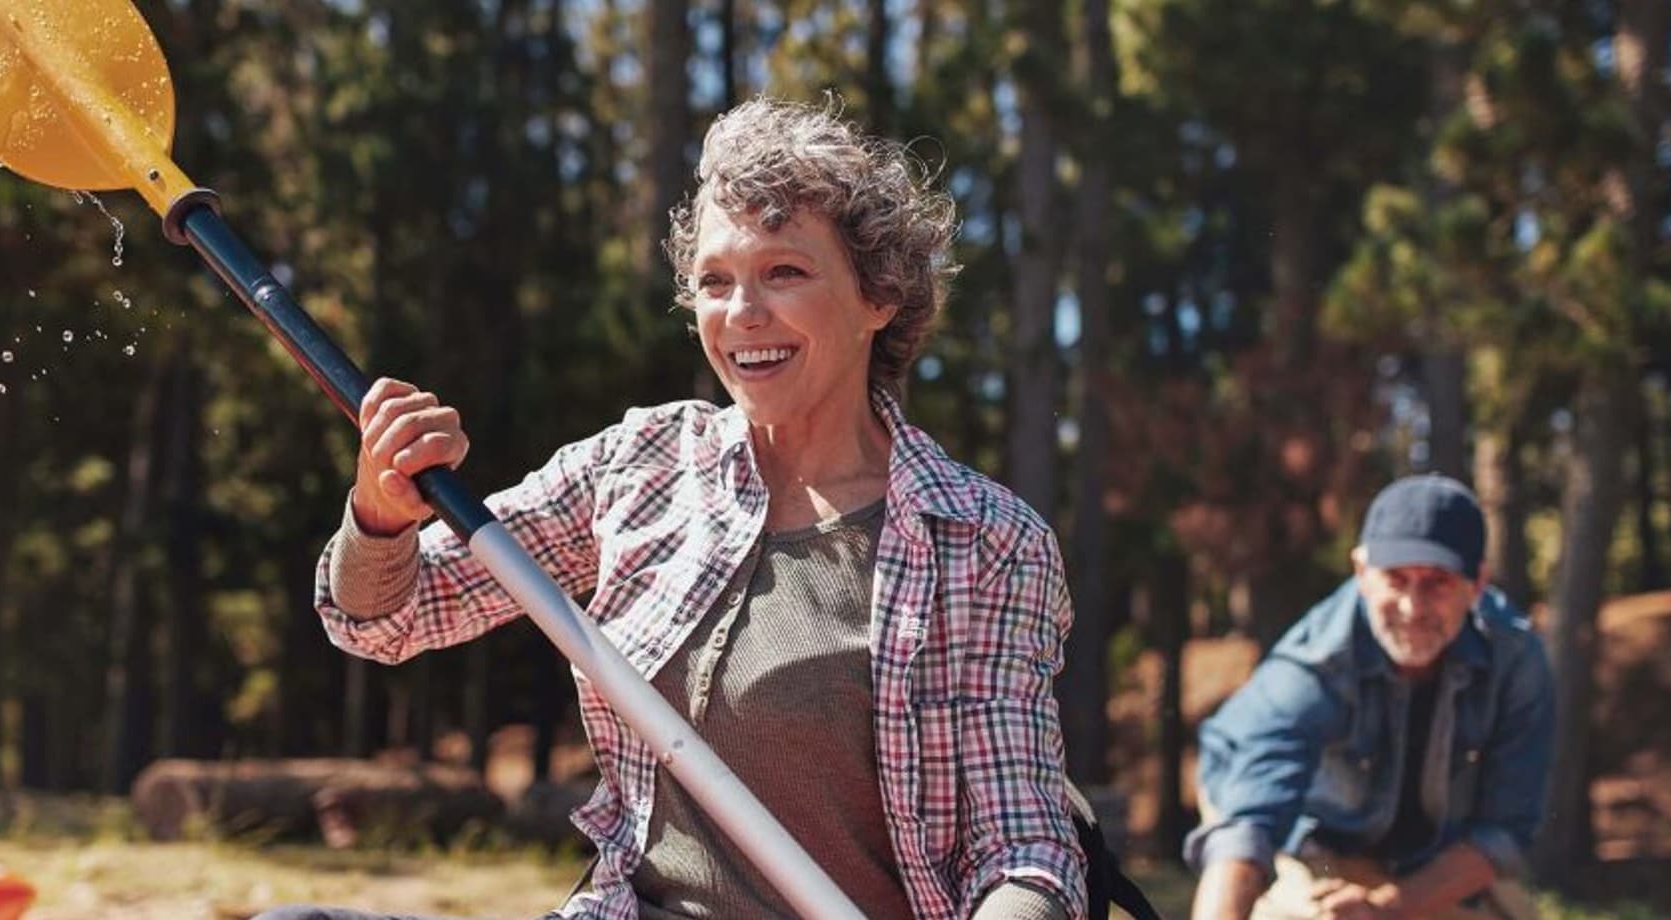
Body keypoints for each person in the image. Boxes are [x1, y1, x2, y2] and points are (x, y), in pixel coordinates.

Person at [259, 97, 1087, 920]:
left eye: (785, 273)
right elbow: (391, 616)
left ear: (881, 298)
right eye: (714, 282)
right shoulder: (642, 465)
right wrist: (380, 514)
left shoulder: (983, 541)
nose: (742, 314)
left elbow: (1023, 851)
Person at [1184, 475, 1556, 920]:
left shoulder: (1516, 658)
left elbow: (1503, 831)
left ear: (1476, 583)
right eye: (1396, 579)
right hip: (1298, 829)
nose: (1413, 608)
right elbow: (1247, 830)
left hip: (1430, 853)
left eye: (1437, 582)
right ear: (1362, 574)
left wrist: (1392, 906)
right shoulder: (1314, 665)